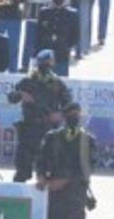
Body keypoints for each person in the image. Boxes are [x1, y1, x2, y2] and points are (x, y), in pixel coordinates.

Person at [36, 102, 96, 219]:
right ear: (64, 116)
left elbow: (88, 168)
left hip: (76, 196)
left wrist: (66, 180)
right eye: (70, 113)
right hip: (55, 196)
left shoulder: (88, 140)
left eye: (77, 114)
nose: (74, 117)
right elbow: (41, 161)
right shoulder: (52, 138)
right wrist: (41, 177)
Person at [7, 50, 72, 182]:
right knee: (23, 169)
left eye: (48, 63)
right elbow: (11, 97)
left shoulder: (57, 83)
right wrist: (21, 94)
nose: (46, 66)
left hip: (49, 129)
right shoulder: (28, 80)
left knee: (51, 168)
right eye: (43, 63)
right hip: (30, 128)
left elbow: (69, 105)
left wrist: (60, 115)